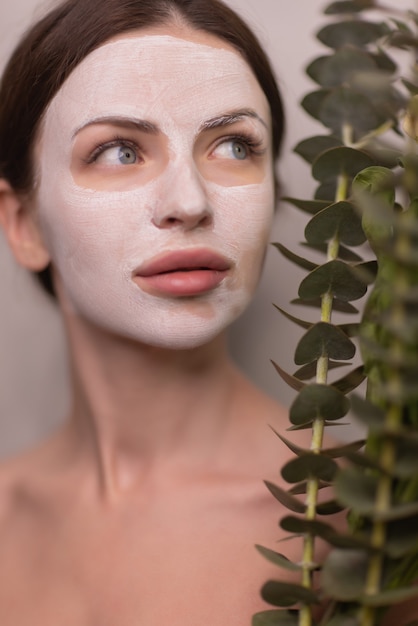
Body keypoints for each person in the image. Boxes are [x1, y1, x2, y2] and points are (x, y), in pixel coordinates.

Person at [0, 0, 411, 624]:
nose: (189, 201)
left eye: (233, 145)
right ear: (22, 223)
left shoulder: (368, 530)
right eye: (119, 150)